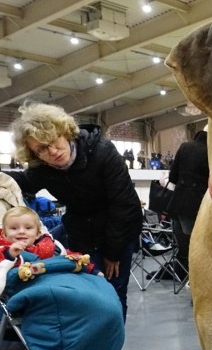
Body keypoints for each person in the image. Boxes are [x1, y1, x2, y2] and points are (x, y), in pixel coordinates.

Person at [8, 101, 143, 321]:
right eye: (41, 148)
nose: (52, 151)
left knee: (113, 294)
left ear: (65, 132)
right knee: (86, 296)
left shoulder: (103, 152)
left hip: (118, 232)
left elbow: (124, 206)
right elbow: (22, 182)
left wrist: (112, 253)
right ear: (34, 154)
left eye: (53, 140)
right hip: (81, 235)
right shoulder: (42, 168)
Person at [0, 206, 90, 276]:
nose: (21, 231)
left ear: (37, 234)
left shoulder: (48, 245)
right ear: (4, 234)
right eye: (14, 228)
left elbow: (67, 256)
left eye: (28, 228)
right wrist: (9, 254)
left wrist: (90, 268)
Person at [167, 129, 209, 274]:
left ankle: (182, 276)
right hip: (198, 207)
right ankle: (194, 280)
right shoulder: (211, 152)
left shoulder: (184, 147)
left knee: (183, 247)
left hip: (177, 204)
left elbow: (172, 177)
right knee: (197, 247)